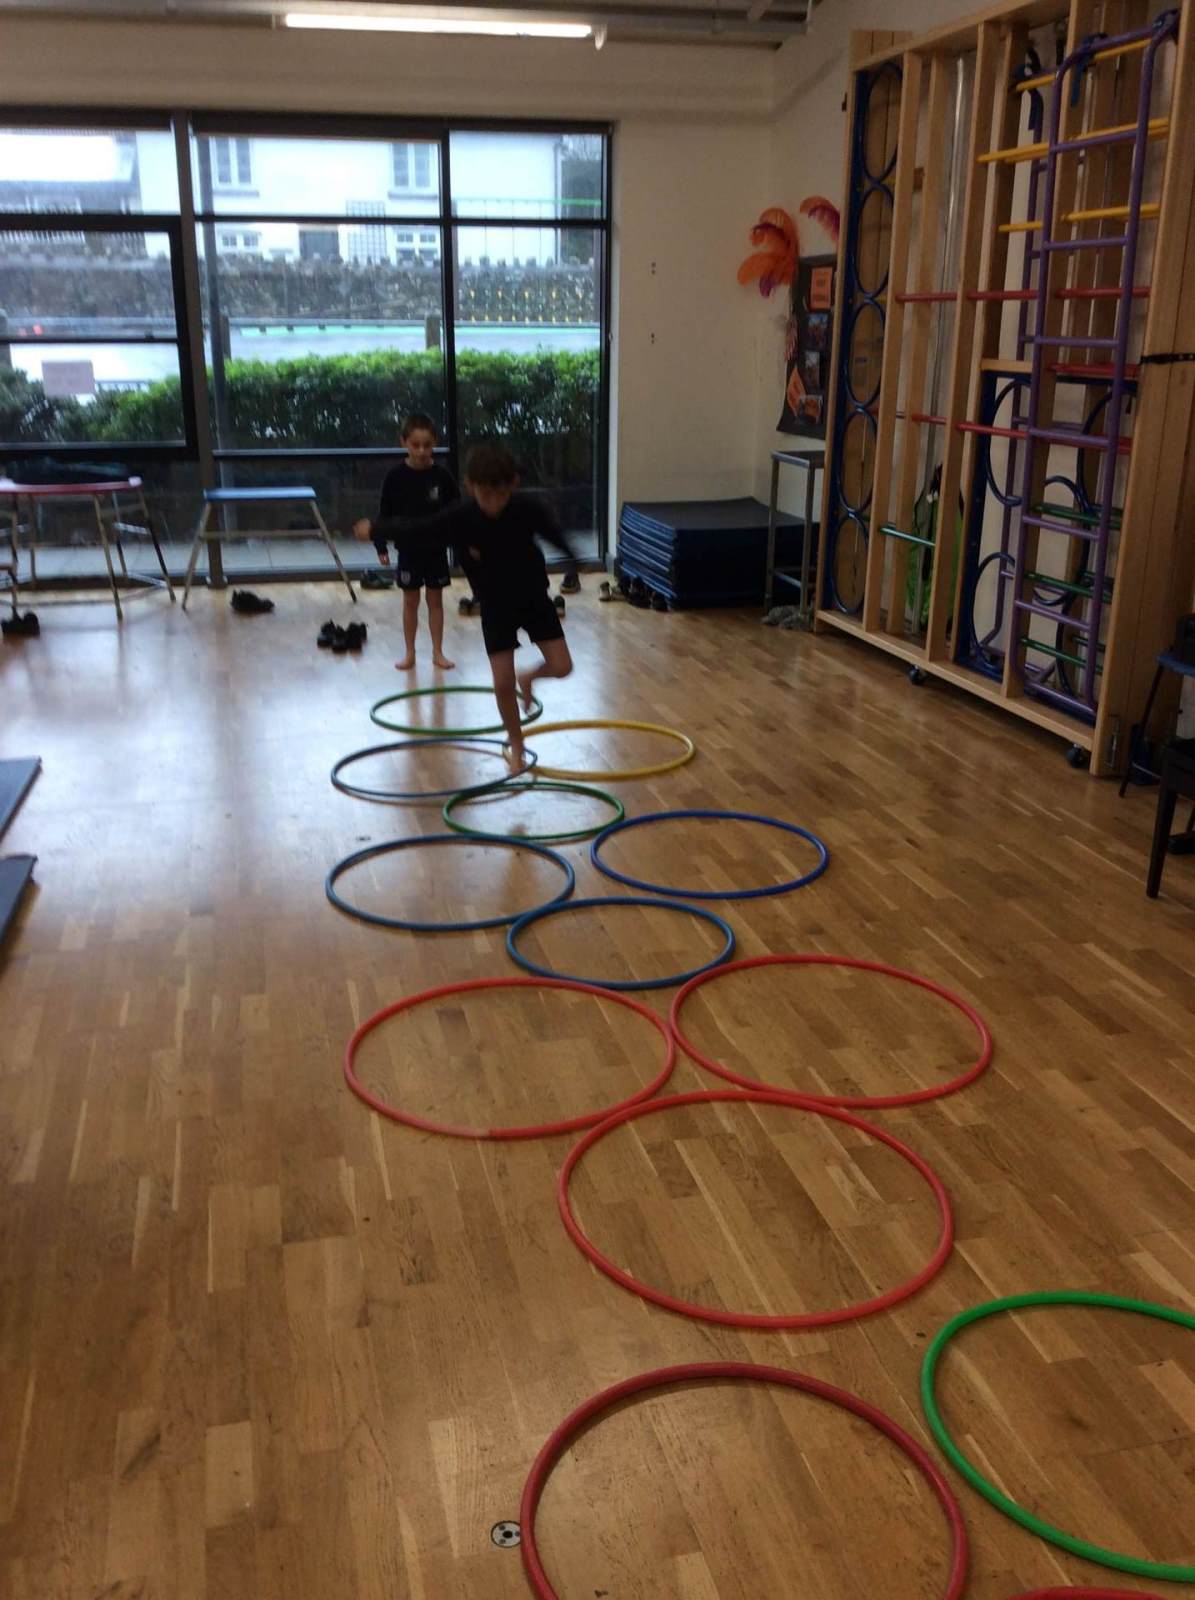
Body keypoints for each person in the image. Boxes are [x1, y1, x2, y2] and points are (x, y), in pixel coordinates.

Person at [372, 442, 578, 770]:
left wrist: (573, 559)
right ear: (470, 486)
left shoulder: (527, 509)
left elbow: (556, 535)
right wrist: (376, 530)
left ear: (513, 484)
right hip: (495, 606)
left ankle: (529, 677)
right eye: (486, 495)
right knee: (502, 683)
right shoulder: (461, 517)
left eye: (501, 494)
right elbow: (419, 528)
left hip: (534, 598)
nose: (494, 503)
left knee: (563, 666)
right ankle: (516, 744)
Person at [353, 413, 458, 671]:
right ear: (404, 443)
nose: (421, 451)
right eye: (416, 445)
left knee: (435, 602)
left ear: (434, 443)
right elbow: (384, 515)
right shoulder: (395, 477)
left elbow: (457, 513)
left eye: (427, 445)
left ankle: (437, 652)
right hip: (409, 552)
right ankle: (409, 653)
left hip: (436, 551)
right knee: (410, 602)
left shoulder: (443, 477)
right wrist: (380, 546)